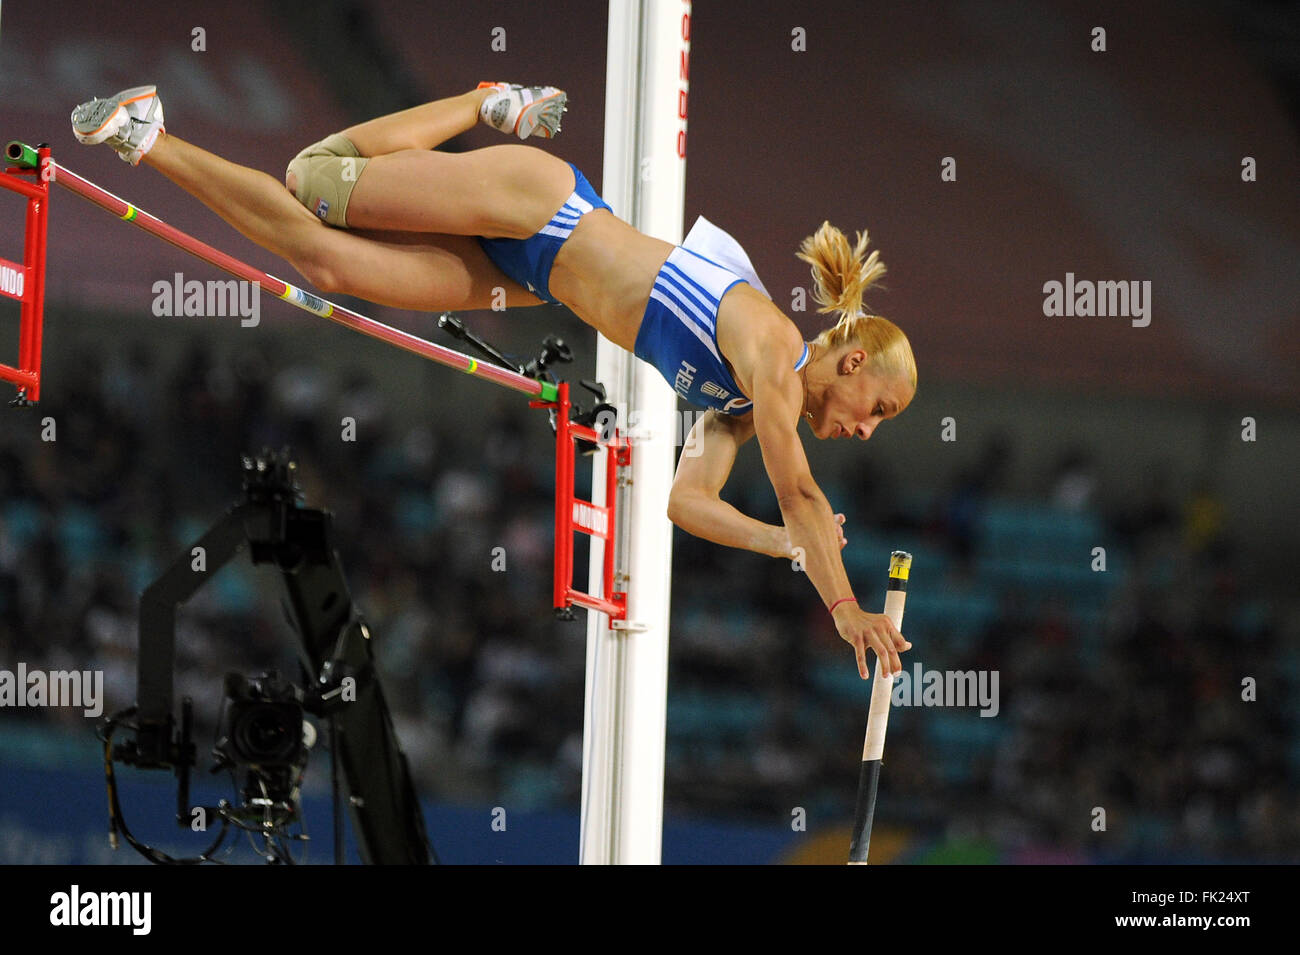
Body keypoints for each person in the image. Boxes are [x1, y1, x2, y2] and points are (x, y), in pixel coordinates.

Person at [70, 83, 916, 678]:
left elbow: (684, 504)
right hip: (539, 205)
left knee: (323, 262)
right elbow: (798, 489)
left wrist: (781, 545)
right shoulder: (769, 347)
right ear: (848, 363)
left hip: (534, 274)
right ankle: (482, 102)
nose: (866, 430)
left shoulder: (732, 406)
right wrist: (846, 609)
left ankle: (148, 138)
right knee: (314, 180)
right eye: (873, 408)